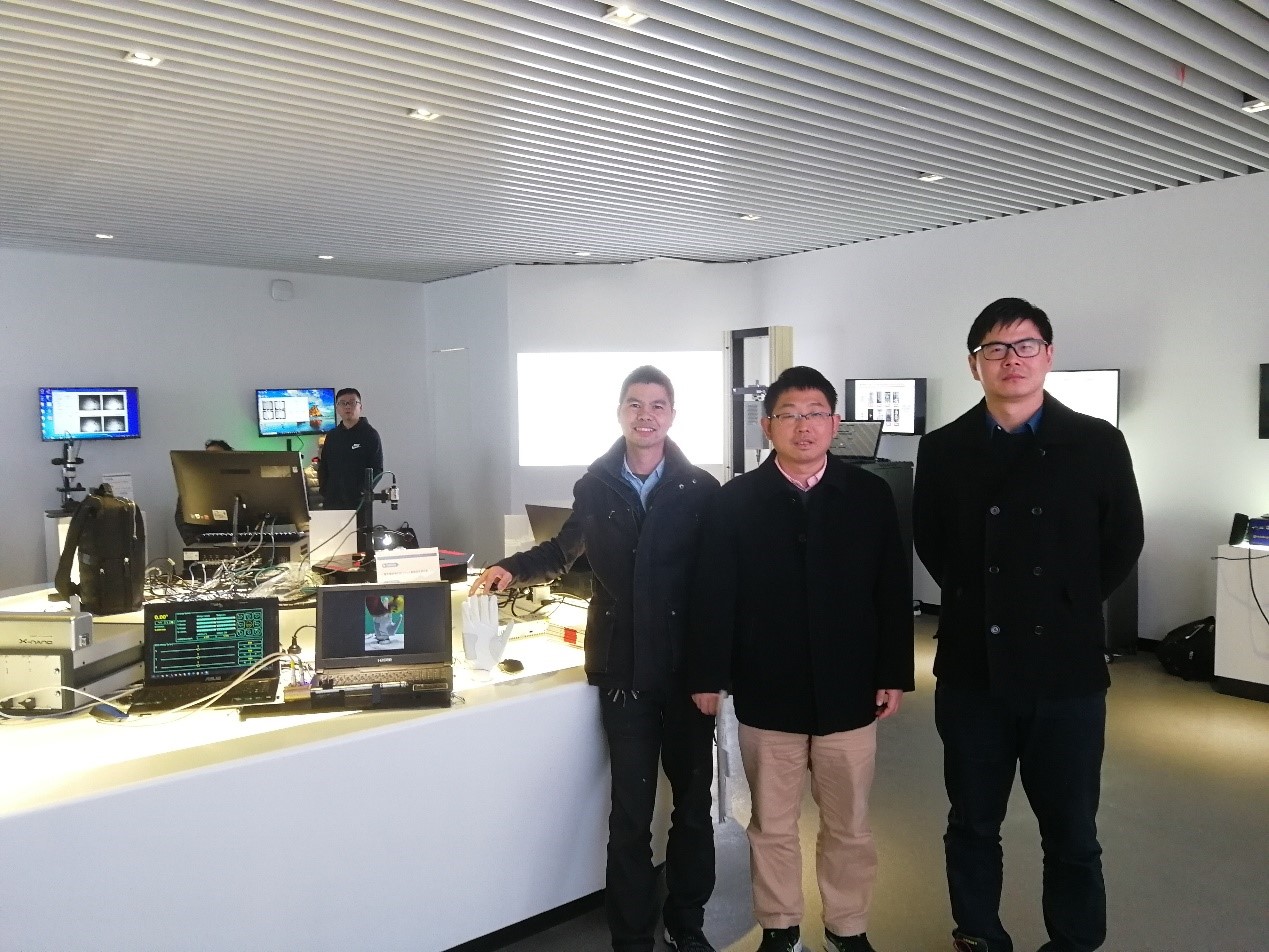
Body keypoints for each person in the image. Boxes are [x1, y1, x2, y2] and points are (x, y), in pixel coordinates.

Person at [912, 298, 1144, 952]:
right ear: (974, 364)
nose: (1010, 359)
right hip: (972, 670)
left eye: (1024, 346)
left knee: (1071, 830)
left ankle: (1073, 941)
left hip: (1065, 670)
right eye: (995, 348)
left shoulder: (1096, 442)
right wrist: (981, 601)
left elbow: (1122, 540)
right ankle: (978, 934)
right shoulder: (944, 447)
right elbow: (932, 542)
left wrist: (1065, 603)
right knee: (972, 822)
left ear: (1048, 356)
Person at [469, 366, 721, 952]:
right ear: (619, 412)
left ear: (672, 415)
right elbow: (563, 551)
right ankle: (630, 937)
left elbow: (717, 583)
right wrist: (511, 568)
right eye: (635, 404)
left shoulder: (700, 489)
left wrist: (716, 671)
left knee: (691, 808)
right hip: (624, 669)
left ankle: (687, 924)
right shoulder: (596, 485)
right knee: (630, 815)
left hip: (686, 672)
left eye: (657, 405)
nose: (645, 416)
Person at [687, 366, 914, 952]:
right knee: (772, 823)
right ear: (767, 426)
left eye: (815, 414)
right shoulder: (736, 501)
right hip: (768, 689)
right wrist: (710, 675)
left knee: (849, 824)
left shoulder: (869, 496)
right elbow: (714, 593)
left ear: (835, 424)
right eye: (789, 414)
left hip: (850, 689)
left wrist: (893, 672)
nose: (803, 426)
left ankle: (847, 927)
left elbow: (892, 589)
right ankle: (780, 925)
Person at [317, 388, 383, 510]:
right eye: (343, 403)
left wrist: (363, 491)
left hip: (358, 503)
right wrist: (325, 491)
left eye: (352, 402)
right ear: (337, 408)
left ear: (360, 407)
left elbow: (377, 469)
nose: (347, 406)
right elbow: (323, 466)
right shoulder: (332, 436)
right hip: (332, 502)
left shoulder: (370, 435)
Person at [175, 439, 232, 544]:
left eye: (216, 455)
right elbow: (182, 517)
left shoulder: (237, 484)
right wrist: (193, 542)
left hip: (236, 543)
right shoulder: (193, 487)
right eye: (207, 455)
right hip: (202, 542)